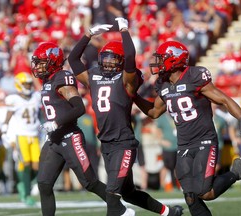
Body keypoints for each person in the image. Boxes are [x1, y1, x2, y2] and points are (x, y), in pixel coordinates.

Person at [68, 17, 183, 216]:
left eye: (113, 58)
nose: (108, 62)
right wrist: (88, 34)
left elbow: (130, 56)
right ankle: (168, 213)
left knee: (112, 195)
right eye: (105, 58)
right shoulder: (94, 77)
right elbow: (73, 60)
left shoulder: (127, 80)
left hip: (123, 143)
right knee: (128, 193)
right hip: (106, 143)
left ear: (120, 62)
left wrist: (124, 30)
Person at [133, 40, 241, 216]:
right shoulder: (163, 84)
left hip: (204, 139)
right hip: (184, 144)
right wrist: (133, 96)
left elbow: (223, 99)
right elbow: (154, 112)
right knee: (191, 196)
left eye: (162, 58)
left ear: (175, 60)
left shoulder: (194, 76)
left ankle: (237, 172)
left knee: (205, 192)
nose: (158, 63)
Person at [31, 42, 123, 216]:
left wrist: (56, 123)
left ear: (53, 61)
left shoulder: (62, 77)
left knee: (90, 183)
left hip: (69, 136)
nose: (38, 66)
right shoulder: (48, 80)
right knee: (44, 184)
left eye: (42, 62)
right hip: (54, 139)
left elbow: (79, 108)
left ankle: (120, 209)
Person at [1, 72, 42, 206]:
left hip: (34, 134)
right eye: (25, 84)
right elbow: (8, 115)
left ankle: (24, 185)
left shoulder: (36, 97)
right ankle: (27, 194)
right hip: (21, 135)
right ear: (19, 85)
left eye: (29, 84)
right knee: (25, 164)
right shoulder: (14, 99)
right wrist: (5, 128)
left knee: (37, 166)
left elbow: (40, 112)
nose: (28, 86)